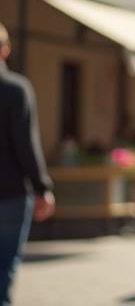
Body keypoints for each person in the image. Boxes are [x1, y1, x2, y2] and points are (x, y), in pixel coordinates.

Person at [0, 21, 55, 305]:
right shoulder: (16, 89)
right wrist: (42, 186)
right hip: (10, 194)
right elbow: (26, 145)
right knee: (4, 268)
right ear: (5, 50)